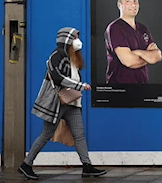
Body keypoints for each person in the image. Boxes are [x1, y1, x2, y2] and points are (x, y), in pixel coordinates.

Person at [18, 27, 106, 180]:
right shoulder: (57, 56)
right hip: (57, 103)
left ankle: (87, 166)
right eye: (74, 38)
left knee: (79, 135)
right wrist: (80, 86)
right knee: (46, 134)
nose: (78, 41)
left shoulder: (72, 57)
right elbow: (57, 77)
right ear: (66, 40)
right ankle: (26, 164)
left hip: (71, 102)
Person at [104, 0, 162, 84]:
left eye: (135, 1)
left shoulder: (143, 28)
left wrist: (138, 52)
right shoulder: (115, 28)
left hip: (142, 87)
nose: (133, 4)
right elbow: (129, 62)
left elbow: (158, 56)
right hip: (120, 90)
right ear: (119, 5)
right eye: (128, 1)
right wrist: (148, 57)